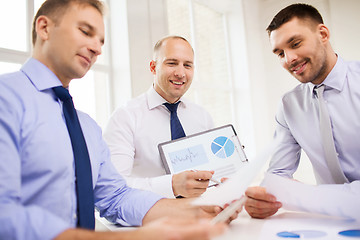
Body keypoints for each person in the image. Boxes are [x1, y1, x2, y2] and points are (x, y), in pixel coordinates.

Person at [0, 1, 239, 239]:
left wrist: (197, 211)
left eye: (101, 41)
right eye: (85, 32)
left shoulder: (87, 128)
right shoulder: (6, 99)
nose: (97, 48)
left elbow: (117, 197)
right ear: (44, 28)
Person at [245, 3, 360, 219]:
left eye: (295, 44)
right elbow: (277, 178)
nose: (289, 59)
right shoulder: (289, 105)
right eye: (279, 53)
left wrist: (301, 195)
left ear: (323, 34)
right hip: (331, 226)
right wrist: (262, 200)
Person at [103, 36, 215, 198]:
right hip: (150, 217)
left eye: (187, 65)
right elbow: (113, 185)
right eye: (172, 63)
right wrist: (171, 186)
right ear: (153, 67)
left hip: (202, 213)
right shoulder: (125, 117)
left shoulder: (203, 117)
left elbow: (214, 172)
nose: (180, 73)